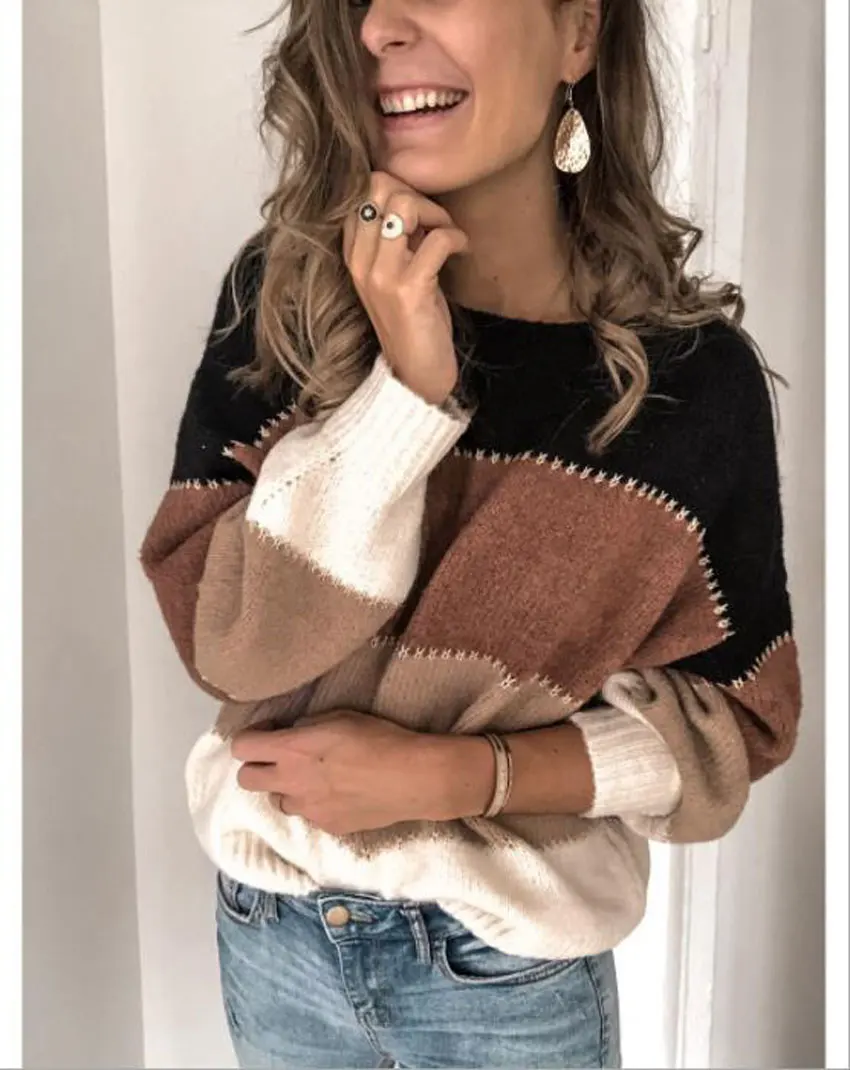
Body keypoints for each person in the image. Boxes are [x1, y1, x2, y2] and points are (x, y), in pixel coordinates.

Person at [141, 1, 802, 1067]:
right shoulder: (280, 303)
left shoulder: (690, 387)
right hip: (273, 934)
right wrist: (404, 393)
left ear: (577, 35)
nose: (379, 28)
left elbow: (728, 730)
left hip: (506, 976)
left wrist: (457, 777)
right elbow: (233, 651)